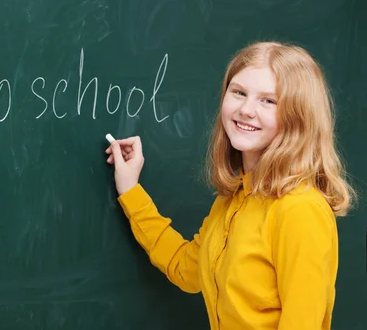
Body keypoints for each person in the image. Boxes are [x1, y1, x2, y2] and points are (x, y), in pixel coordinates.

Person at [105, 42, 356, 330]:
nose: (246, 109)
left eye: (269, 101)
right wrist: (130, 190)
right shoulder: (234, 200)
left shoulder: (300, 210)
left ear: (298, 116)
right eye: (238, 93)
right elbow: (186, 268)